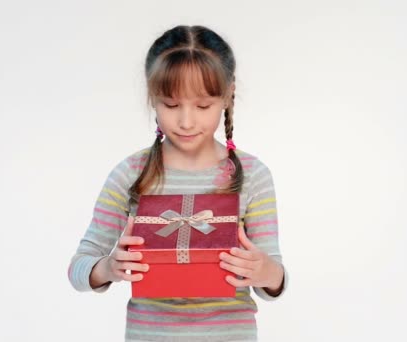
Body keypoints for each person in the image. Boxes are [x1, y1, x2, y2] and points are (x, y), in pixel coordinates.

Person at [68, 24, 288, 342]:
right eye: (170, 105)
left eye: (202, 106)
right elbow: (79, 267)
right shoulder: (131, 173)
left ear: (227, 95)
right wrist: (107, 267)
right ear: (152, 96)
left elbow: (275, 276)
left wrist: (264, 271)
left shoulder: (253, 175)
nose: (186, 121)